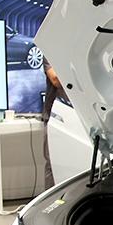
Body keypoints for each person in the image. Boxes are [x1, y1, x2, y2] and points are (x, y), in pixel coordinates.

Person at [42, 56, 65, 189]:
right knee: (52, 163)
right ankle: (51, 198)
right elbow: (55, 79)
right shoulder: (50, 53)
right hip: (54, 116)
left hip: (76, 115)